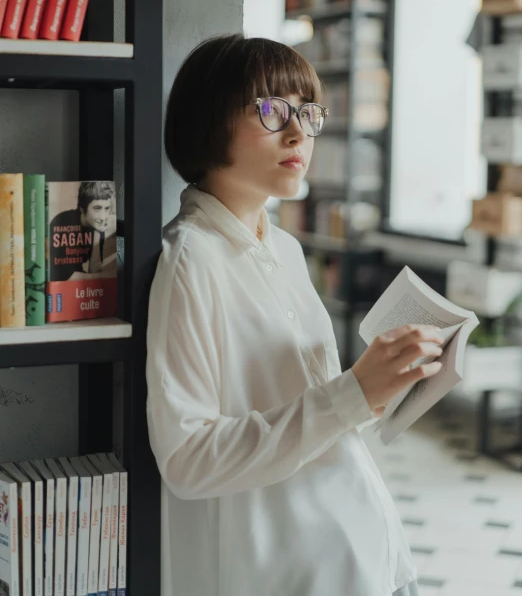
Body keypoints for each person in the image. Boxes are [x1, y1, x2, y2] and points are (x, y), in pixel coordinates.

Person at [146, 34, 443, 596]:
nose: (298, 132)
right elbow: (187, 460)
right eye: (273, 110)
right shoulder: (191, 262)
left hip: (365, 546)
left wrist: (384, 386)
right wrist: (354, 393)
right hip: (293, 568)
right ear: (208, 121)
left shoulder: (285, 247)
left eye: (308, 112)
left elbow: (315, 405)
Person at [49, 180, 116, 281]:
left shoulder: (95, 226)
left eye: (106, 209)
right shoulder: (62, 222)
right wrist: (109, 275)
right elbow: (69, 278)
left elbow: (93, 269)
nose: (103, 217)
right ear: (82, 209)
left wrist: (99, 233)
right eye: (97, 209)